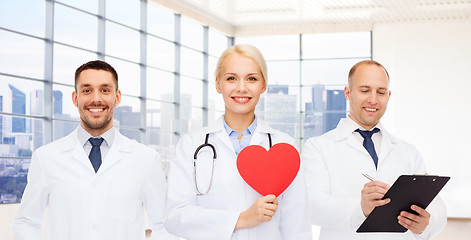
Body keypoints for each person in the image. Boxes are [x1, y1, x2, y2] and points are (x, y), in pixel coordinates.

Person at [13, 60, 175, 240]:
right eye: (87, 90)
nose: (96, 99)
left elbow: (164, 226)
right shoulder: (46, 158)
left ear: (117, 97)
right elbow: (27, 222)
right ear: (75, 98)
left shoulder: (145, 159)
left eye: (105, 90)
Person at [164, 44, 312, 240]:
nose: (241, 88)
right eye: (231, 78)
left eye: (251, 78)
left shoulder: (284, 147)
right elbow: (175, 216)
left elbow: (297, 226)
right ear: (218, 84)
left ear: (263, 85)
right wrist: (241, 219)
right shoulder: (191, 145)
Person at [302, 60, 447, 240]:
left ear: (389, 95)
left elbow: (438, 207)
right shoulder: (318, 147)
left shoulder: (408, 151)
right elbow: (311, 207)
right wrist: (360, 208)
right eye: (364, 90)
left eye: (381, 92)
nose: (373, 99)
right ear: (348, 92)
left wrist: (426, 224)